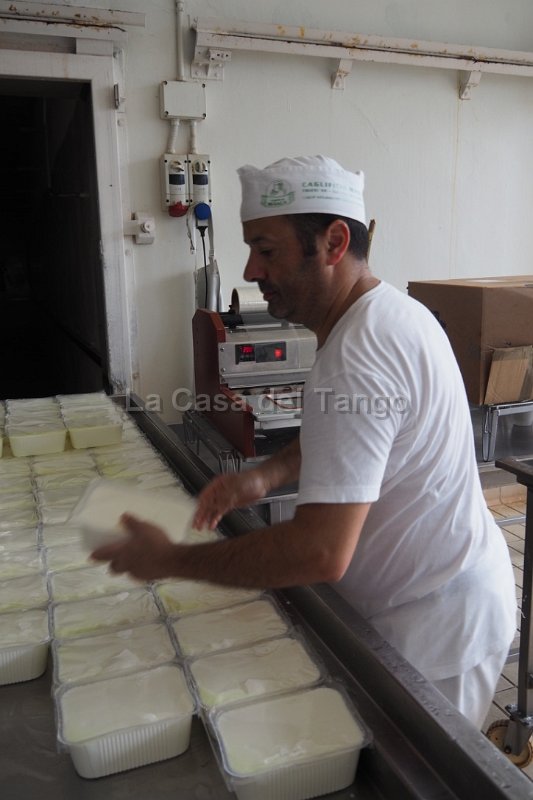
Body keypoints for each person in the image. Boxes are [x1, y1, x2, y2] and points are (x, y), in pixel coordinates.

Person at [92, 155, 516, 728]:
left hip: (433, 630)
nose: (251, 270)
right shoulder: (389, 313)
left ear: (334, 242)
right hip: (441, 597)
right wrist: (265, 476)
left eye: (267, 250)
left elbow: (319, 551)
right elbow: (346, 437)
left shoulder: (360, 354)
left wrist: (170, 559)